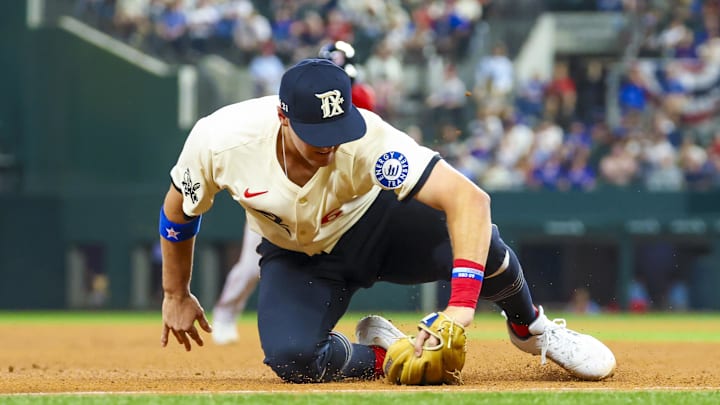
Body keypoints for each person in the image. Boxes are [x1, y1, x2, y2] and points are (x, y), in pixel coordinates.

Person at [159, 58, 616, 383]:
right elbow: (178, 210)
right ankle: (386, 353)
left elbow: (470, 200)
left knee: (481, 241)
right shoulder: (220, 140)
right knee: (292, 360)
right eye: (317, 135)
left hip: (378, 223)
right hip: (299, 255)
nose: (330, 146)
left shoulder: (367, 137)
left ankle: (531, 327)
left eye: (338, 132)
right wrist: (175, 293)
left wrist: (460, 306)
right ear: (283, 116)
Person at [210, 40, 376, 345]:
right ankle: (224, 314)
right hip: (275, 194)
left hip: (327, 198)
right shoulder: (296, 100)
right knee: (249, 266)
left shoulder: (362, 99)